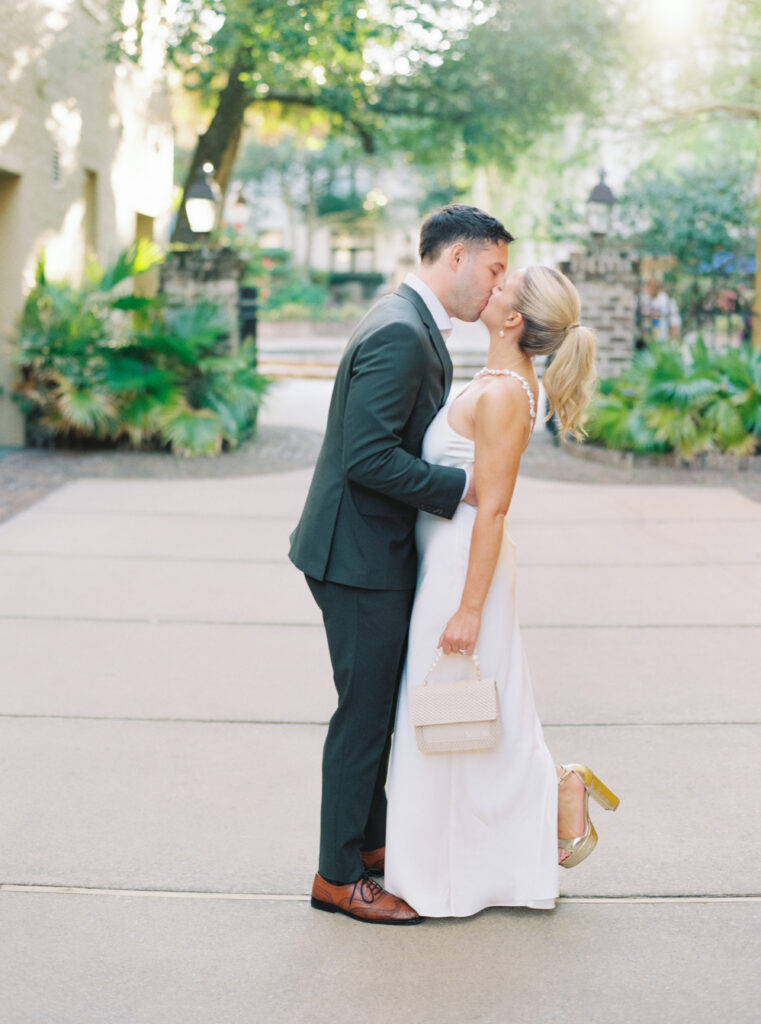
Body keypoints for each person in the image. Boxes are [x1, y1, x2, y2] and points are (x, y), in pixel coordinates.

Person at [289, 204, 514, 925]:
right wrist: (463, 488)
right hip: (354, 555)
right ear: (456, 258)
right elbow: (367, 457)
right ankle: (336, 875)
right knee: (363, 718)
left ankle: (371, 845)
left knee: (377, 711)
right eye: (493, 267)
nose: (496, 283)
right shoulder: (399, 333)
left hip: (370, 548)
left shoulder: (411, 322)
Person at [384, 265, 620, 917]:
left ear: (512, 318)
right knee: (482, 718)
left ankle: (465, 865)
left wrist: (466, 607)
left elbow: (491, 509)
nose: (490, 284)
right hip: (450, 559)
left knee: (456, 714)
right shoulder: (496, 380)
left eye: (503, 284)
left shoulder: (503, 395)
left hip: (466, 565)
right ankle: (549, 794)